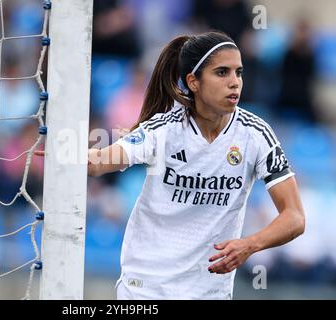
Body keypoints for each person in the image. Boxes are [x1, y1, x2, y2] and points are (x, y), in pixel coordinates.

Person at [36, 31, 305, 300]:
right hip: (147, 288)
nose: (234, 83)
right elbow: (99, 163)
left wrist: (249, 245)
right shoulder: (163, 130)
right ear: (194, 82)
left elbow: (294, 217)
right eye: (222, 73)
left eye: (239, 72)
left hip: (209, 291)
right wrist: (61, 151)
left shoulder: (256, 135)